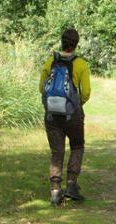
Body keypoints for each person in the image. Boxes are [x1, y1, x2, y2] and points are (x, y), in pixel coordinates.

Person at [39, 28, 91, 206]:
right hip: (73, 114)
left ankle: (55, 191)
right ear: (76, 43)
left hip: (52, 115)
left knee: (57, 151)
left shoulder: (50, 62)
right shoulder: (81, 64)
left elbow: (41, 88)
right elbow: (86, 93)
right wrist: (75, 105)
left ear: (61, 42)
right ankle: (71, 185)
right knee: (77, 145)